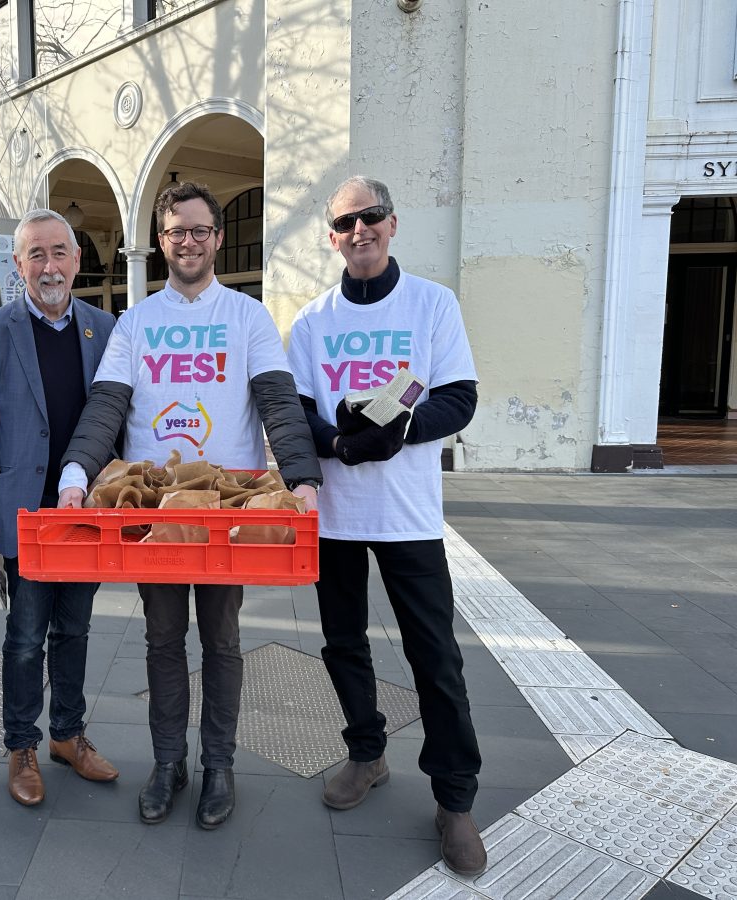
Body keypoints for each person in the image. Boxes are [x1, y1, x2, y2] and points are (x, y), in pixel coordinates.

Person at [57, 182, 322, 830]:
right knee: (162, 638)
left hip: (229, 507)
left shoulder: (248, 318)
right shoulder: (138, 322)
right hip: (161, 508)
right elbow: (107, 408)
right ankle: (169, 763)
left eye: (200, 229)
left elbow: (279, 405)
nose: (189, 241)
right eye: (177, 231)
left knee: (223, 641)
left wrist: (302, 478)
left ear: (218, 238)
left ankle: (219, 765)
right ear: (162, 239)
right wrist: (75, 473)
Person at [287, 175, 485, 876]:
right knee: (344, 645)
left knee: (435, 656)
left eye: (371, 217)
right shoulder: (311, 322)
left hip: (408, 515)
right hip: (336, 515)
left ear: (393, 224)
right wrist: (337, 445)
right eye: (345, 223)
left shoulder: (432, 304)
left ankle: (455, 798)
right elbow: (297, 413)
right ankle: (366, 753)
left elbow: (459, 398)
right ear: (331, 235)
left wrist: (402, 430)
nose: (359, 230)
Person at [0, 208, 120, 806]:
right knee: (26, 636)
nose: (49, 266)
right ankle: (20, 745)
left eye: (59, 253)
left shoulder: (106, 329)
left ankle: (68, 736)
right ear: (18, 264)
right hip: (23, 513)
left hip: (87, 513)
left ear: (77, 260)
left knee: (74, 630)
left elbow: (121, 421)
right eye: (36, 255)